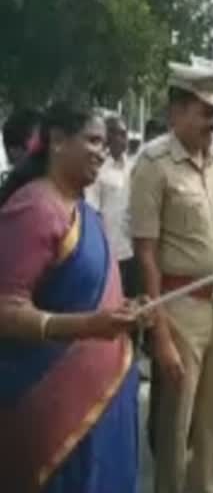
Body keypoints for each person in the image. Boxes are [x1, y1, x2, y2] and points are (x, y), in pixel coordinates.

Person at [0, 101, 142, 492]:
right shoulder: (34, 208)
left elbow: (89, 296)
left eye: (103, 141)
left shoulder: (83, 211)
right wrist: (87, 326)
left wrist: (123, 311)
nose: (102, 149)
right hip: (54, 408)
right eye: (93, 140)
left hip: (106, 400)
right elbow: (6, 309)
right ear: (58, 141)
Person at [131, 63, 213, 493]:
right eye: (205, 113)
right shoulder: (152, 164)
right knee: (175, 425)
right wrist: (159, 332)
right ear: (177, 111)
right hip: (178, 308)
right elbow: (145, 253)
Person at [86, 115, 139, 298]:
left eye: (125, 134)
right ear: (108, 137)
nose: (124, 139)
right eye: (119, 134)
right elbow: (92, 211)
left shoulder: (133, 167)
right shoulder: (97, 170)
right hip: (108, 255)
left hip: (131, 253)